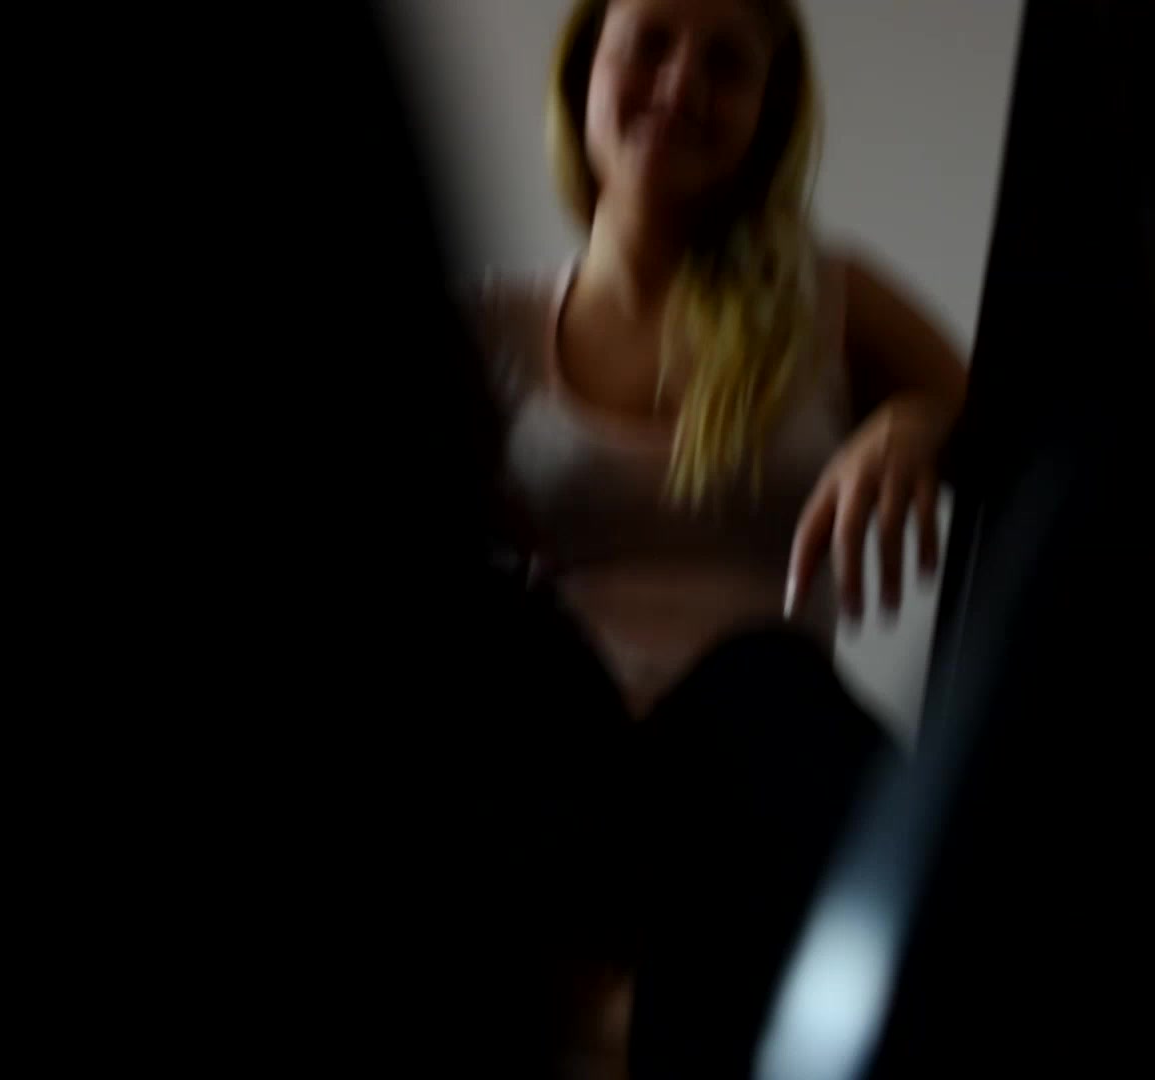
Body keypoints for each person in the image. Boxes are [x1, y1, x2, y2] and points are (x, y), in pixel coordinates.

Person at [458, 0, 971, 1074]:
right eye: (651, 42)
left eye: (726, 63)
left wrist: (915, 424)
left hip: (751, 764)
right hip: (562, 760)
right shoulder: (496, 324)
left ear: (765, 115)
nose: (683, 84)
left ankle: (646, 1026)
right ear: (585, 74)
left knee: (770, 686)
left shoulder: (831, 301)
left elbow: (1007, 418)